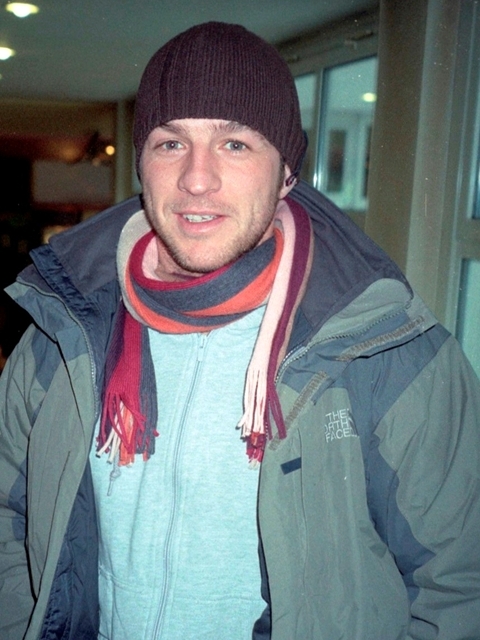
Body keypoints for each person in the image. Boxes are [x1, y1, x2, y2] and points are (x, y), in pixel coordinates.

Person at [1, 21, 479, 640]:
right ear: (141, 165)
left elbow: (458, 589)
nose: (196, 178)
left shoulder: (390, 351)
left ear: (286, 172)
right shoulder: (61, 333)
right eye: (170, 143)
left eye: (234, 144)